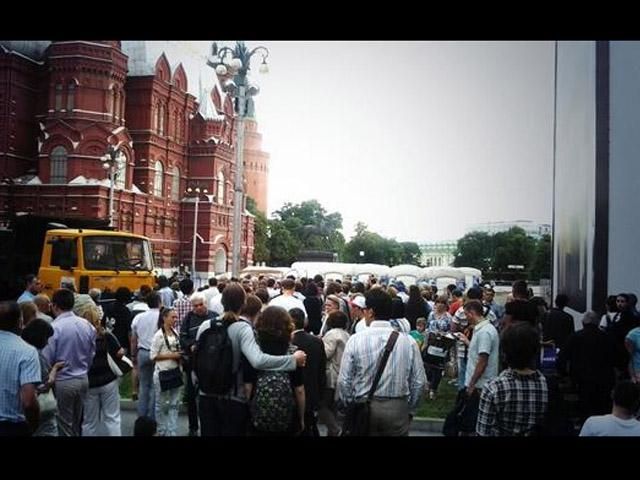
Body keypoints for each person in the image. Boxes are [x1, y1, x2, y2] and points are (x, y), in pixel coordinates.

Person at [195, 283, 307, 436]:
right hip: (232, 397)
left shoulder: (205, 326)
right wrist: (292, 360)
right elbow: (258, 361)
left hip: (206, 394)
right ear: (243, 303)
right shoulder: (242, 329)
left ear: (222, 302)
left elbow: (197, 358)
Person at [337, 288, 426, 436]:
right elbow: (419, 382)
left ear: (370, 312)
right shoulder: (408, 342)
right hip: (396, 408)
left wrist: (350, 403)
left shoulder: (355, 340)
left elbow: (344, 380)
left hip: (363, 406)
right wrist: (409, 409)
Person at [476, 322, 548, 436]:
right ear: (536, 351)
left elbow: (483, 432)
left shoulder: (493, 388)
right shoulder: (547, 385)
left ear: (504, 353)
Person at [42, 288, 96, 436]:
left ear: (54, 306)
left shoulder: (54, 328)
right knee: (78, 421)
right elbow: (92, 353)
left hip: (63, 380)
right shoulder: (87, 325)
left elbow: (47, 358)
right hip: (83, 378)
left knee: (64, 423)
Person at [0, 302, 41, 436]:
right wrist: (34, 425)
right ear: (20, 321)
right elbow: (28, 401)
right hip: (12, 426)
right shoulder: (27, 351)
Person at [21, 319, 64, 436]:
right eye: (46, 339)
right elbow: (43, 386)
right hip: (41, 411)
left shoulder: (23, 351)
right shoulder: (34, 355)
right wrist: (54, 370)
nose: (47, 343)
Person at [150, 307, 183, 436]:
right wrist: (172, 355)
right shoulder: (158, 335)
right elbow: (153, 356)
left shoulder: (175, 332)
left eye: (176, 317)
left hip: (175, 371)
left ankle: (172, 430)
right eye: (172, 317)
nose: (175, 319)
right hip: (162, 372)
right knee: (161, 403)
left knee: (175, 403)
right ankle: (161, 429)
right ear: (164, 318)